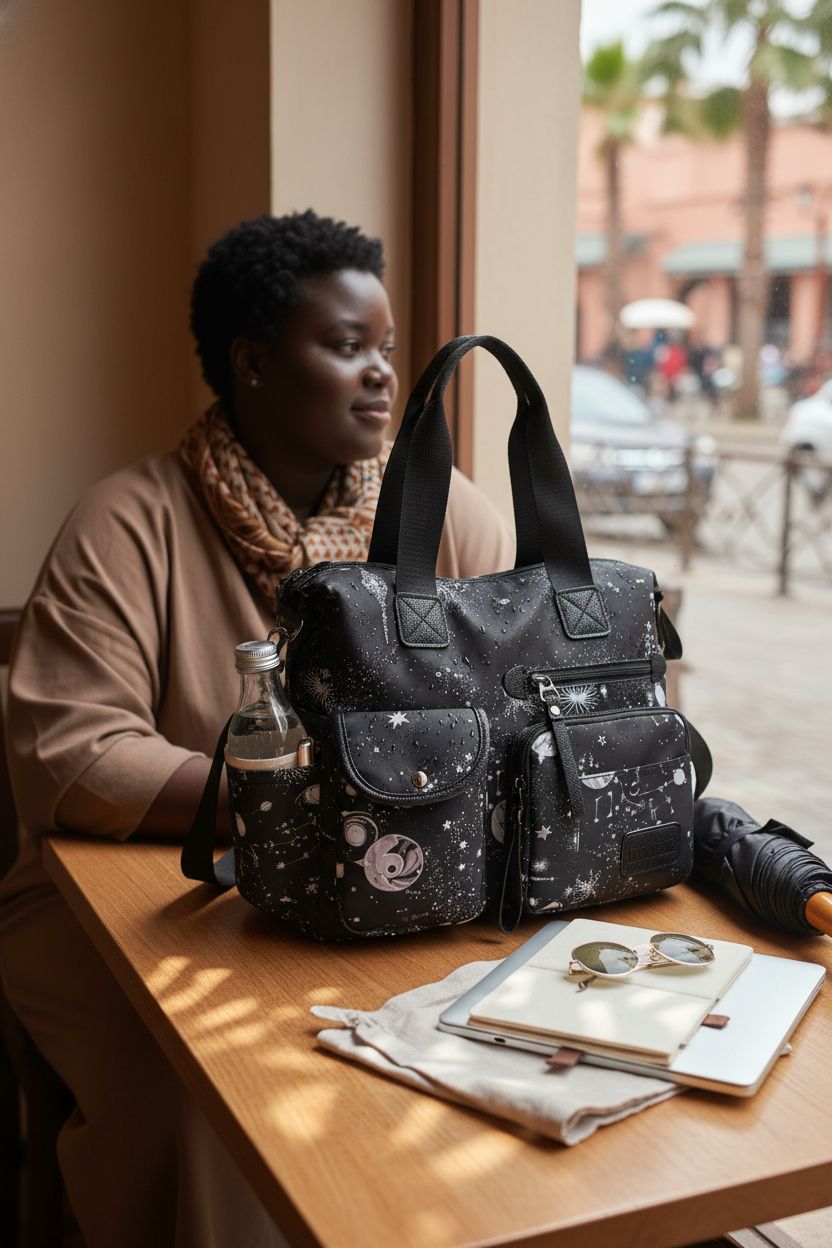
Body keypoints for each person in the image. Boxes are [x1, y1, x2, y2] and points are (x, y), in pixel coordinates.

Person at [0, 210, 514, 1248]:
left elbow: (515, 699)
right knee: (200, 1091)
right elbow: (75, 754)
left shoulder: (443, 513)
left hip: (408, 887)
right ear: (253, 365)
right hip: (139, 905)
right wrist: (320, 809)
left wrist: (381, 827)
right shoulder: (126, 521)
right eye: (344, 346)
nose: (382, 374)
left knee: (491, 1054)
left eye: (385, 346)